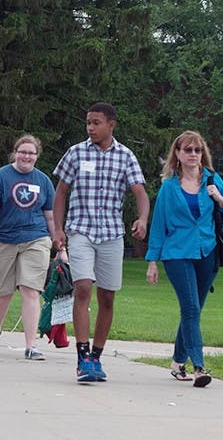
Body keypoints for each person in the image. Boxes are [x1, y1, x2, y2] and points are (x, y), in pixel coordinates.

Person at [53, 102, 150, 382]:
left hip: (111, 233)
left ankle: (96, 356)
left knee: (107, 296)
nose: (91, 128)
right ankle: (82, 358)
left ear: (111, 125)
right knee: (83, 287)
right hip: (80, 230)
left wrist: (142, 219)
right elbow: (61, 193)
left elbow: (140, 193)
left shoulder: (126, 156)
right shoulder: (76, 153)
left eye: (96, 123)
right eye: (88, 123)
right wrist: (57, 229)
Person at [145, 131, 223, 388]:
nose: (193, 154)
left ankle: (177, 362)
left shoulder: (212, 179)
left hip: (207, 252)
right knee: (191, 309)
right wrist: (153, 261)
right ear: (178, 154)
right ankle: (199, 367)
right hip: (177, 254)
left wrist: (219, 198)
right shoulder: (169, 187)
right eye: (188, 150)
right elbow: (158, 225)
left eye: (197, 150)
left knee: (193, 311)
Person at [0, 135, 57, 361]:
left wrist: (59, 245)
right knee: (2, 293)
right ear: (15, 153)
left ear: (37, 156)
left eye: (31, 153)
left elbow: (51, 217)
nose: (26, 156)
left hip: (36, 238)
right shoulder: (1, 177)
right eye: (22, 152)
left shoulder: (43, 181)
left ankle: (31, 346)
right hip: (4, 239)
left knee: (30, 289)